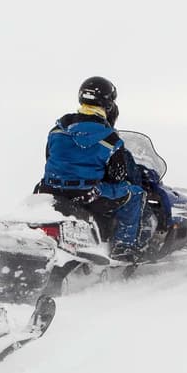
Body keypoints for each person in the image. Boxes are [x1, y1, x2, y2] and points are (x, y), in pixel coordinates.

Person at [38, 77, 146, 262]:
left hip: (51, 190)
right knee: (134, 193)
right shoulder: (110, 139)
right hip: (88, 194)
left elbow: (49, 158)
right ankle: (124, 246)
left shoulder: (56, 131)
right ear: (109, 104)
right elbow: (117, 176)